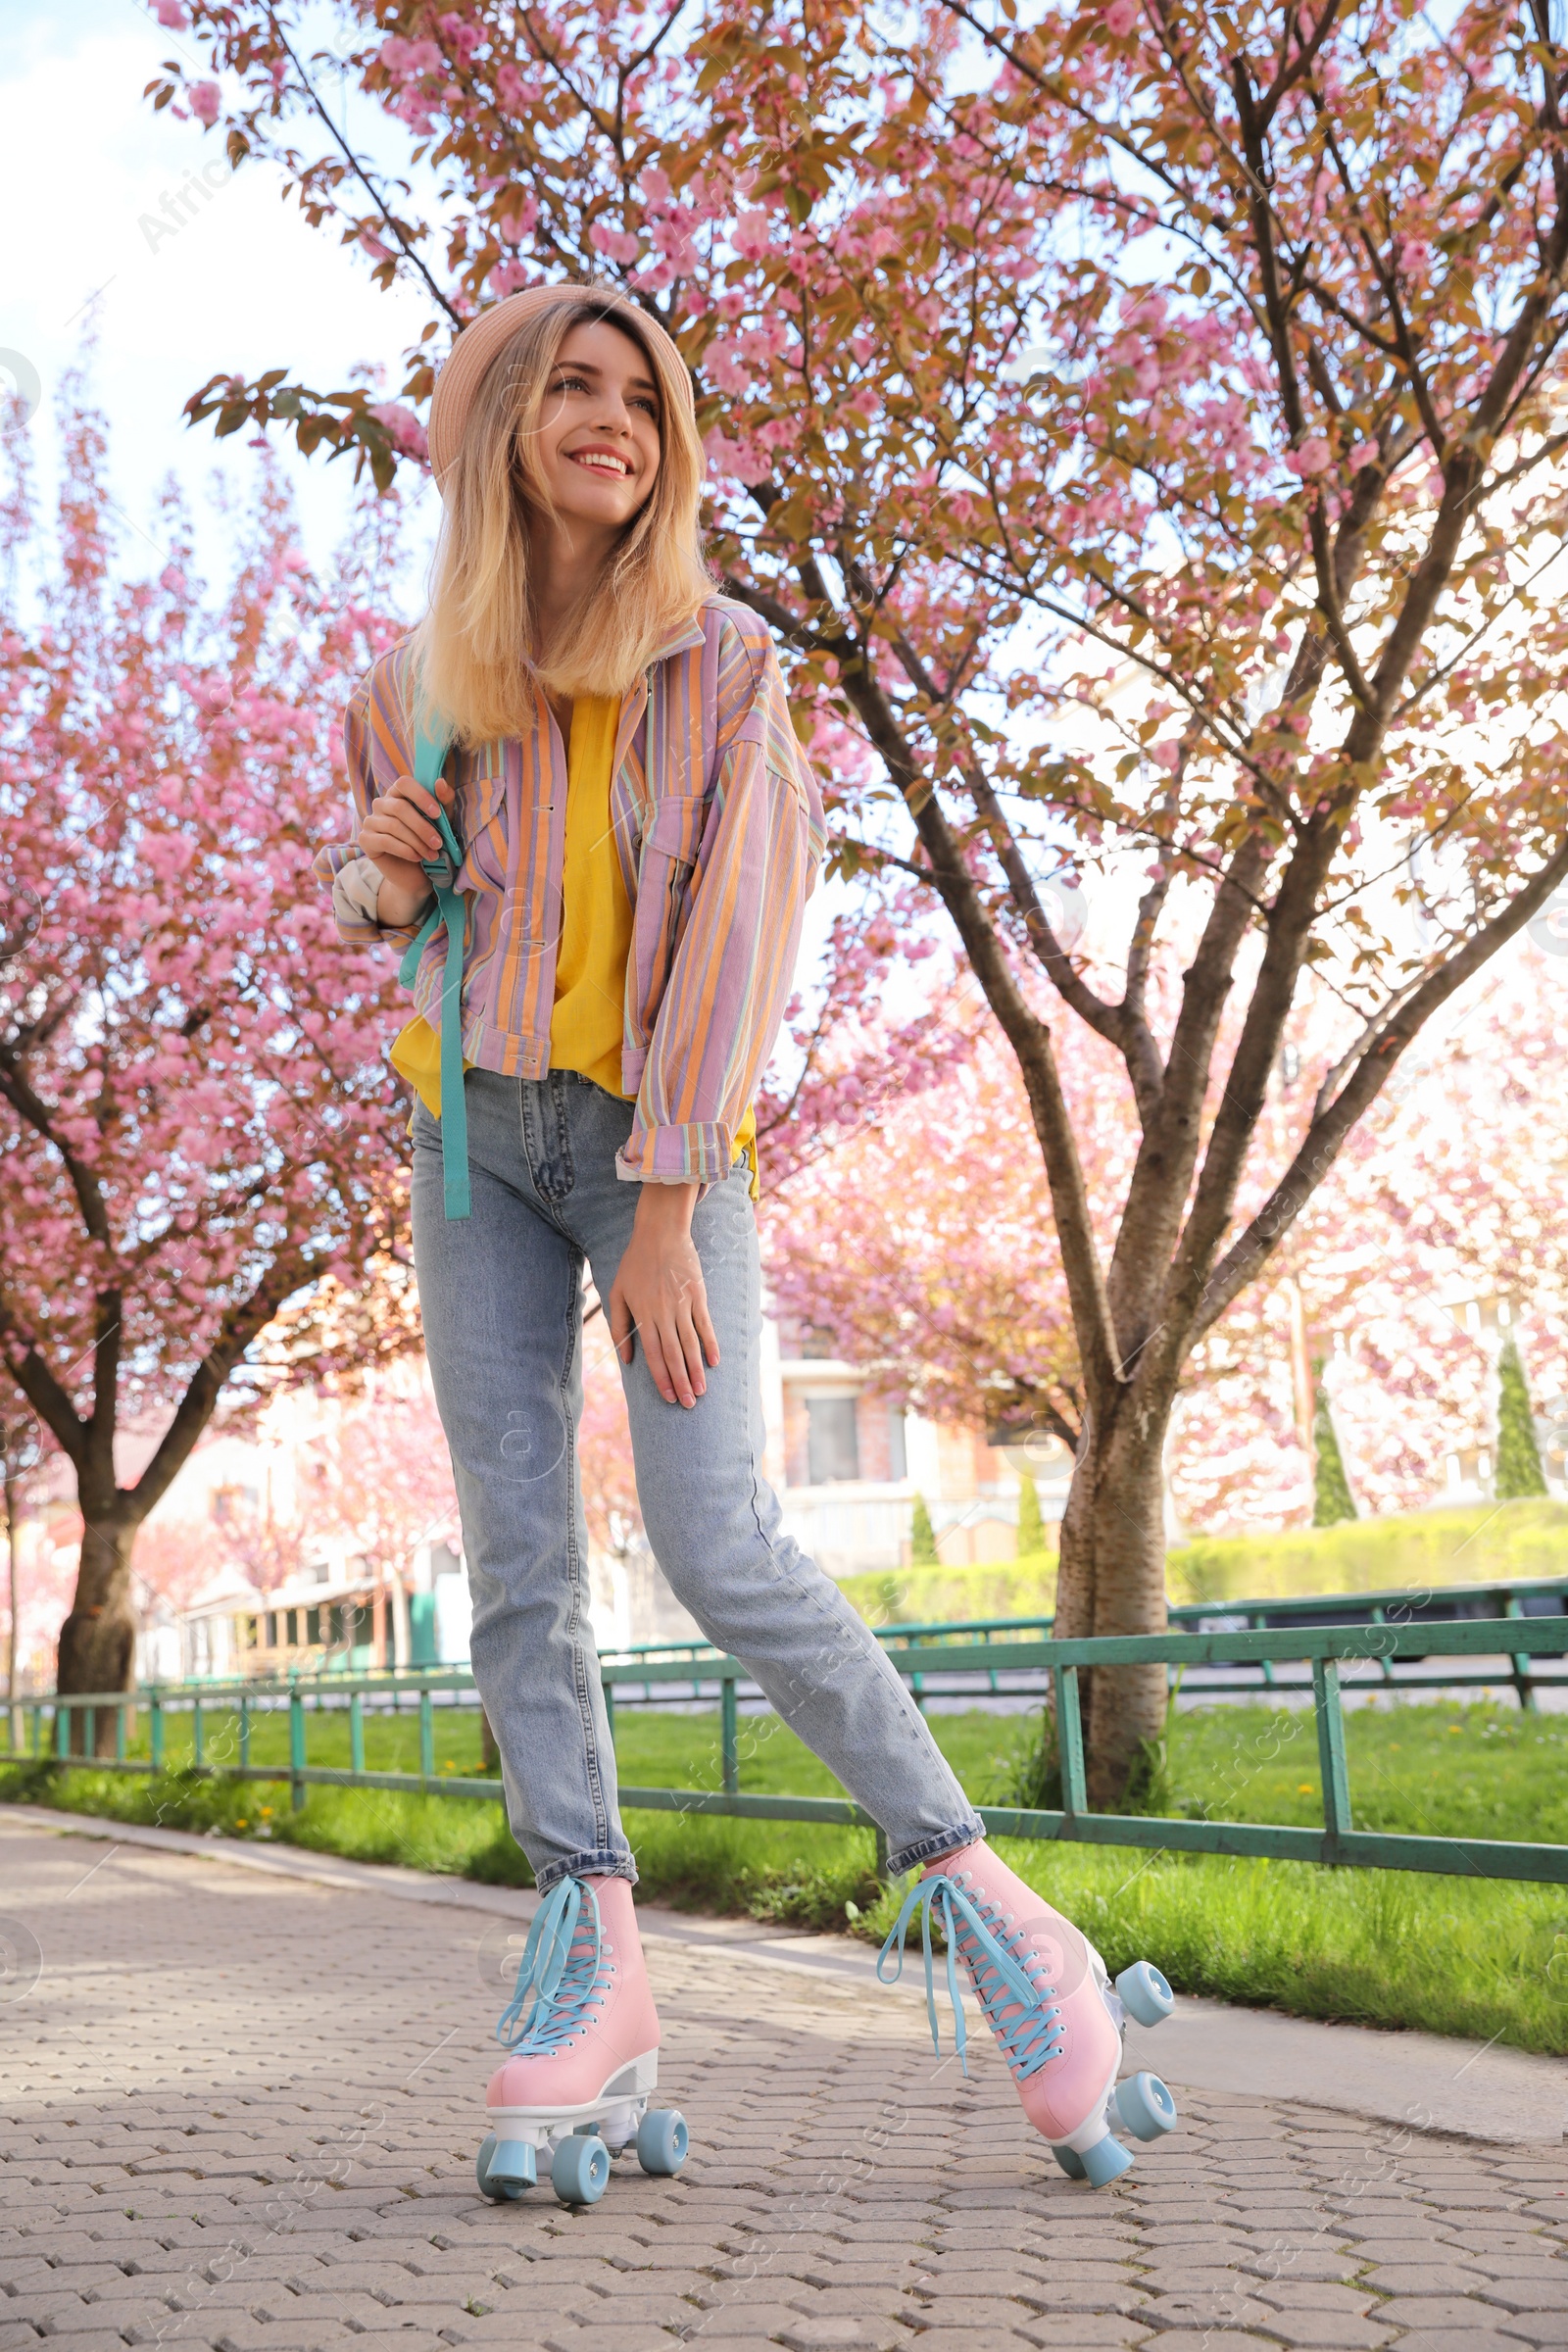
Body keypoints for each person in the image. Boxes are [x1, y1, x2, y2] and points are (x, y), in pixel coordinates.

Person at [317, 283, 1174, 2203]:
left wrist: (671, 1206)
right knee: (517, 1558)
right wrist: (377, 872)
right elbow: (397, 916)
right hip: (471, 1151)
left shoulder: (721, 663)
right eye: (569, 387)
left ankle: (994, 1916)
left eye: (640, 395)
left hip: (657, 1147)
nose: (607, 419)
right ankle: (590, 1957)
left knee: (717, 1539)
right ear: (500, 426)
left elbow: (741, 937)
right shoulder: (408, 682)